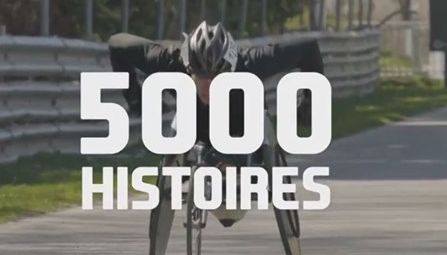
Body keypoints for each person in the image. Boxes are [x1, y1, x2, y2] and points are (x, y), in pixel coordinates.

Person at [108, 20, 325, 155]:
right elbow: (117, 43)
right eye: (201, 76)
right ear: (187, 68)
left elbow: (308, 49)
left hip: (241, 125)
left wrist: (307, 105)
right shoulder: (169, 62)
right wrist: (136, 98)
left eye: (217, 77)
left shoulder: (250, 64)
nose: (208, 85)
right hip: (194, 124)